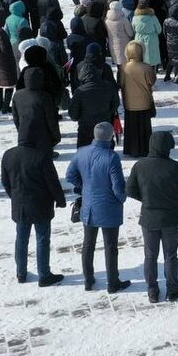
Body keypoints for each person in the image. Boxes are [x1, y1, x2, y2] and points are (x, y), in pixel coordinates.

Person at [126, 131, 178, 303]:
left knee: (150, 256)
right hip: (171, 218)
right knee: (170, 255)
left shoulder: (140, 166)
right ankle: (172, 289)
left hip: (149, 218)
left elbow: (130, 190)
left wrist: (146, 198)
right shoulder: (176, 167)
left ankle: (152, 290)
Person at [1, 118, 66, 287]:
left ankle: (21, 273)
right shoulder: (41, 156)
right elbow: (52, 181)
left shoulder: (8, 155)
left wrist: (14, 196)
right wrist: (60, 200)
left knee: (21, 239)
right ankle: (44, 274)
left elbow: (5, 182)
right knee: (42, 238)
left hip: (20, 205)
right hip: (41, 205)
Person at [66, 122, 130, 293]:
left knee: (88, 244)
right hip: (108, 207)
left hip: (89, 207)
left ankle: (88, 280)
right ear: (110, 137)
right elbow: (118, 187)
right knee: (110, 246)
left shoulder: (81, 152)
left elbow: (70, 176)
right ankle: (112, 282)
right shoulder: (111, 157)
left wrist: (83, 186)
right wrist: (122, 198)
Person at [120, 41, 156, 158]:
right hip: (144, 102)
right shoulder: (146, 67)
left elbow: (120, 83)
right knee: (144, 127)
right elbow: (152, 81)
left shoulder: (123, 68)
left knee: (131, 127)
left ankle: (131, 149)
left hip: (129, 103)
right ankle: (145, 149)